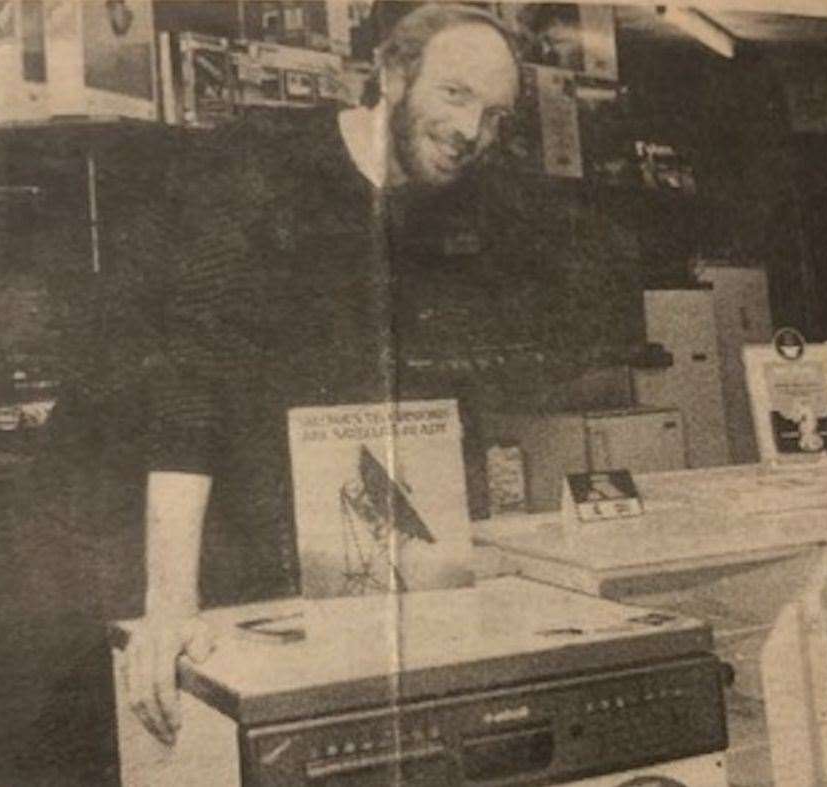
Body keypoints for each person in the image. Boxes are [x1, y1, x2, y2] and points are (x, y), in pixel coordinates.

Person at [123, 3, 521, 746]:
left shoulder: (444, 210)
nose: (473, 133)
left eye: (496, 115)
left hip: (330, 563)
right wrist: (170, 598)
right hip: (211, 549)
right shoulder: (261, 169)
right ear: (393, 76)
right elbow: (187, 383)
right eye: (456, 95)